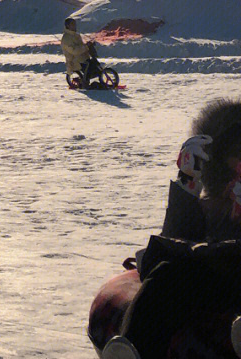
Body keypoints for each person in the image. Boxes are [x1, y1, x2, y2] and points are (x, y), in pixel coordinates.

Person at [94, 98, 241, 358]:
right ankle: (132, 348)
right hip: (214, 276)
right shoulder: (210, 205)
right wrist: (187, 185)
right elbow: (178, 241)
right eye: (236, 158)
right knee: (165, 274)